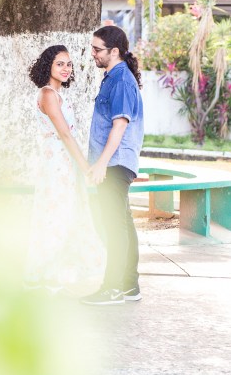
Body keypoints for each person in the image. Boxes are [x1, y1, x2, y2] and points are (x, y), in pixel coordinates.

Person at [23, 45, 105, 293]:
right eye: (60, 63)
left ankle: (56, 270)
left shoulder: (58, 95)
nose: (66, 68)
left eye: (69, 64)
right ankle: (40, 273)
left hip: (65, 162)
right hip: (57, 162)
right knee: (55, 215)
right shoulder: (48, 94)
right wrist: (87, 169)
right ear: (48, 65)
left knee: (69, 212)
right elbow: (65, 135)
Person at [80, 26, 144, 306]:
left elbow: (120, 125)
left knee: (114, 226)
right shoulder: (114, 78)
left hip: (115, 163)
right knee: (123, 224)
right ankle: (129, 286)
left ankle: (113, 288)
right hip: (116, 163)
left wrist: (101, 164)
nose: (92, 54)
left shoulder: (120, 80)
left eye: (97, 49)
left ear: (113, 51)